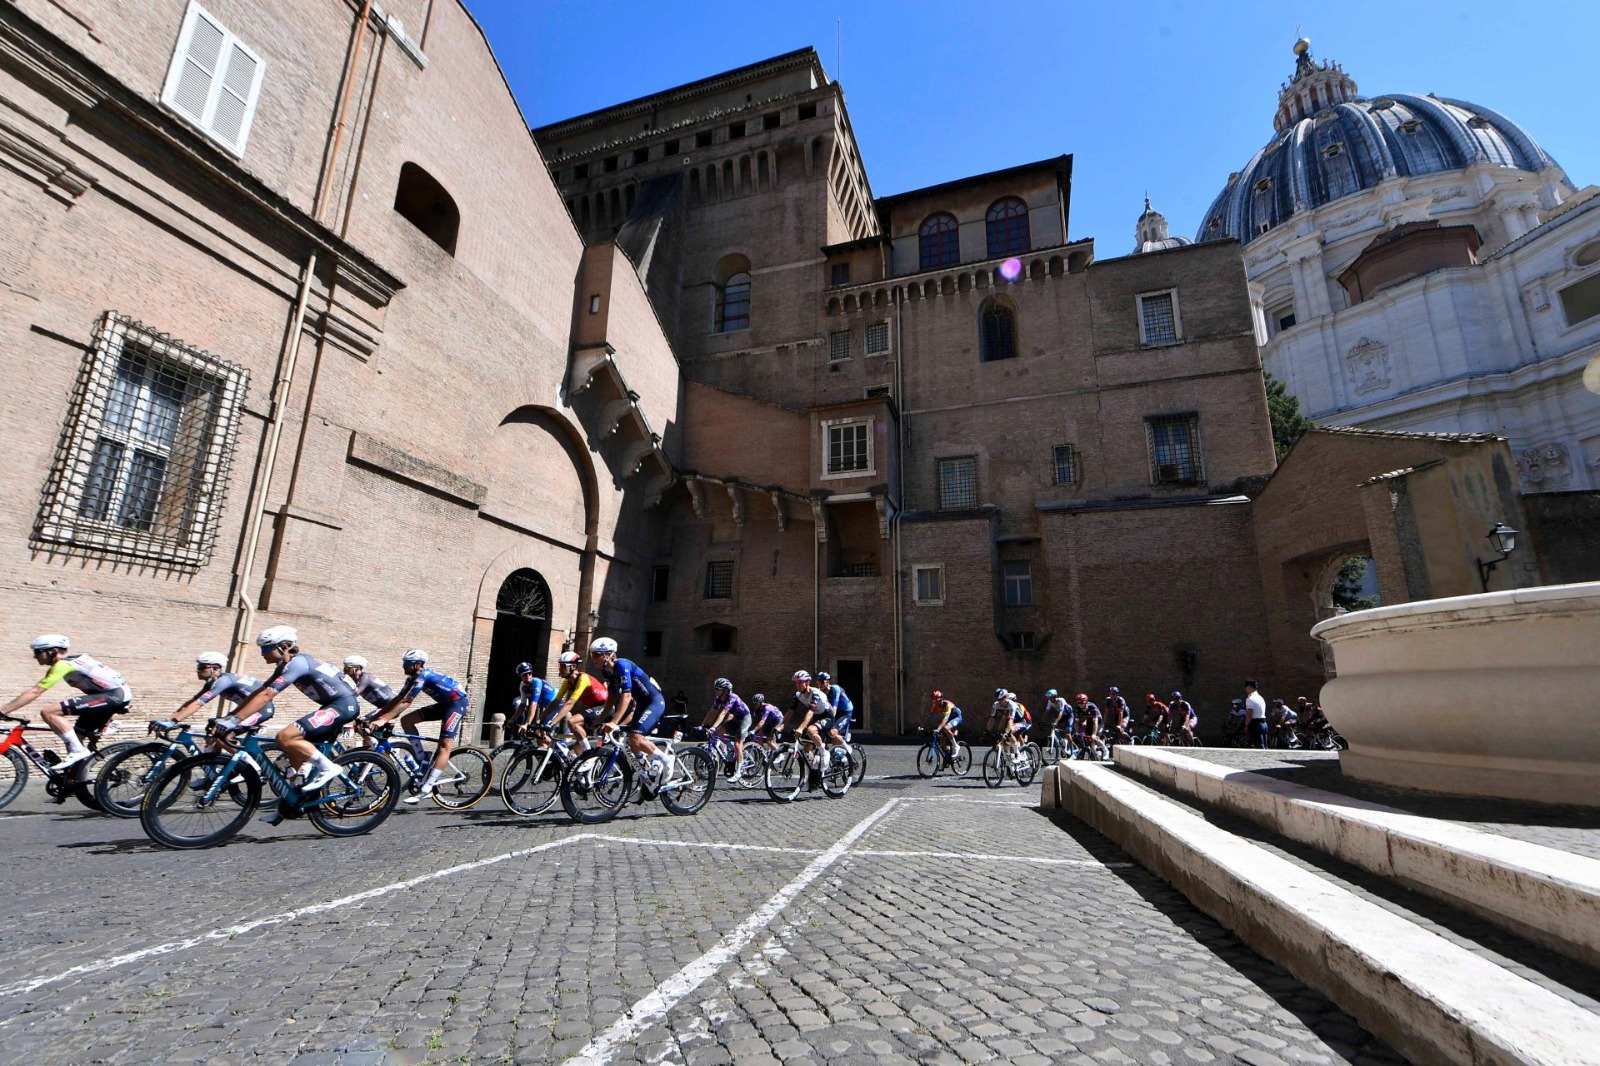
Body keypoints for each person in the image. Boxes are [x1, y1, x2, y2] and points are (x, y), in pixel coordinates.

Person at [231, 626, 359, 823]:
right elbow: (261, 692)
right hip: (332, 705)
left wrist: (233, 721)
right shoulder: (284, 666)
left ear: (284, 647)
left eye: (266, 648)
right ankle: (290, 806)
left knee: (284, 736)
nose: (262, 653)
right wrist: (232, 716)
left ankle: (329, 768)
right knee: (293, 756)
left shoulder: (297, 663)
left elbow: (267, 696)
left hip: (343, 705)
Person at [0, 634, 132, 771]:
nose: (35, 656)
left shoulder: (64, 665)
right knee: (75, 738)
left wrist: (3, 710)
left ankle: (78, 752)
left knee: (49, 712)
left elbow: (35, 692)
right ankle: (76, 782)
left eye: (38, 652)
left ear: (52, 651)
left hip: (114, 696)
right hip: (112, 697)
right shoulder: (72, 662)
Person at [365, 650, 471, 804]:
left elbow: (407, 702)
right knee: (407, 721)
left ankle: (427, 788)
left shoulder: (423, 676)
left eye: (406, 663)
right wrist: (374, 718)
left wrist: (383, 721)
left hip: (457, 704)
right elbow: (397, 699)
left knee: (444, 746)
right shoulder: (412, 678)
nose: (403, 666)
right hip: (445, 704)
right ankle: (423, 758)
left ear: (418, 664)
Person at [589, 637, 671, 784]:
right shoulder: (607, 672)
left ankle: (667, 759)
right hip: (642, 703)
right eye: (591, 654)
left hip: (654, 702)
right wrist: (599, 719)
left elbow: (626, 696)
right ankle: (648, 776)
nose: (592, 658)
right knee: (632, 744)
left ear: (607, 654)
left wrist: (614, 722)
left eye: (596, 654)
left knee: (635, 737)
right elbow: (612, 698)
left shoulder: (622, 664)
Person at [544, 651, 609, 747]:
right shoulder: (567, 683)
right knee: (577, 747)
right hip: (592, 710)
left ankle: (589, 754)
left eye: (563, 666)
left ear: (573, 666)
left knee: (572, 721)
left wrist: (553, 723)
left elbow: (570, 703)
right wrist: (538, 721)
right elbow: (555, 703)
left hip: (605, 707)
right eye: (559, 666)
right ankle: (588, 759)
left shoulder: (583, 678)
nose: (560, 669)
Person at [702, 677, 753, 781]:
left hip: (744, 719)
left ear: (725, 690)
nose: (715, 691)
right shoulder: (718, 699)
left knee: (738, 744)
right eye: (715, 689)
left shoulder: (732, 697)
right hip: (735, 718)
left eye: (718, 689)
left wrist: (713, 727)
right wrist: (702, 725)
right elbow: (712, 712)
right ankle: (733, 749)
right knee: (717, 733)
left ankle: (738, 772)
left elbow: (723, 713)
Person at [788, 670, 836, 759]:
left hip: (827, 716)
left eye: (800, 682)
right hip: (817, 717)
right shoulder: (798, 695)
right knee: (807, 747)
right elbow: (790, 711)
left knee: (811, 730)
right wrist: (780, 726)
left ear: (807, 683)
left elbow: (810, 712)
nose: (797, 685)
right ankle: (814, 767)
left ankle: (825, 753)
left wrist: (801, 728)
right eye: (796, 682)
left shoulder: (815, 694)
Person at [511, 662, 558, 735]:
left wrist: (527, 724)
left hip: (557, 705)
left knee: (546, 732)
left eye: (529, 673)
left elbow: (534, 704)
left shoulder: (537, 682)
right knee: (538, 734)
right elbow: (522, 705)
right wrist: (513, 719)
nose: (528, 675)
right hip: (548, 708)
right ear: (520, 676)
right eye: (525, 674)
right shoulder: (522, 685)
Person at [927, 690, 962, 765]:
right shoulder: (935, 706)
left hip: (957, 717)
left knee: (945, 728)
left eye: (937, 700)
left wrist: (938, 728)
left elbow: (945, 719)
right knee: (942, 742)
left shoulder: (947, 705)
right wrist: (922, 726)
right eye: (934, 701)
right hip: (949, 720)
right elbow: (929, 717)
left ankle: (956, 746)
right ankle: (948, 758)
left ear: (941, 699)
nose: (936, 702)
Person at [816, 671, 855, 740]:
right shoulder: (820, 692)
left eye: (822, 682)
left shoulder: (835, 689)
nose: (820, 685)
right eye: (818, 682)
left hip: (845, 712)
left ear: (828, 682)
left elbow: (834, 707)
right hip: (835, 711)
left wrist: (830, 721)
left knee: (832, 732)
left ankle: (846, 747)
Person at [1244, 680, 1269, 749]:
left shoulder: (1250, 698)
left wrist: (1246, 725)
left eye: (1246, 687)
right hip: (1264, 723)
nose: (1245, 689)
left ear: (1249, 687)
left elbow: (1249, 713)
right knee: (1265, 746)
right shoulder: (1261, 698)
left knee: (1259, 747)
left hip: (1256, 724)